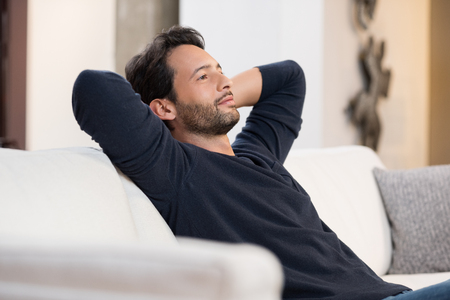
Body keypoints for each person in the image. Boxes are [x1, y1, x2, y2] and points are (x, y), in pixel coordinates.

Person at [72, 26, 449, 299]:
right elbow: (93, 88)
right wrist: (165, 113)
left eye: (221, 69)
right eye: (204, 75)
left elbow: (290, 79)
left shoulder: (259, 155)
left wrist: (217, 88)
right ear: (164, 107)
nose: (224, 82)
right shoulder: (175, 171)